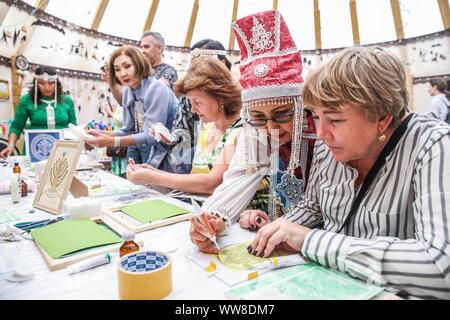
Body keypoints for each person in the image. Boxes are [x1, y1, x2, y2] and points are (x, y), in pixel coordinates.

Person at [247, 47, 450, 299]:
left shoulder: (435, 145)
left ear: (382, 120)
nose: (320, 133)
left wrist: (311, 241)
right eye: (316, 116)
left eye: (335, 119)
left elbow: (441, 267)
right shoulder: (327, 146)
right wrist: (277, 229)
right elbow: (313, 207)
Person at [189, 10, 316, 252]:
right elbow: (239, 177)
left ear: (301, 107)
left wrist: (286, 225)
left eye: (281, 114)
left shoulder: (323, 133)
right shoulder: (255, 131)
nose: (270, 128)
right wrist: (211, 219)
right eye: (258, 117)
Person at [126, 56, 242, 195]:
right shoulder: (207, 128)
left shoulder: (239, 131)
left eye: (197, 102)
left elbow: (212, 184)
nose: (193, 109)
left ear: (220, 96)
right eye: (190, 102)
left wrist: (153, 177)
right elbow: (196, 179)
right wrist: (152, 171)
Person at [149, 39, 234, 174]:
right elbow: (182, 131)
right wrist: (170, 137)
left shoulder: (241, 102)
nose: (197, 73)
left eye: (202, 66)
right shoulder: (189, 99)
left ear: (222, 64)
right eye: (194, 67)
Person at [86, 45, 178, 169]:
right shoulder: (129, 92)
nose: (123, 73)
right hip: (142, 151)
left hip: (169, 156)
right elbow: (128, 130)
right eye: (117, 69)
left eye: (127, 66)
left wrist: (110, 141)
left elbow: (152, 136)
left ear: (139, 63)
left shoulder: (157, 88)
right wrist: (100, 134)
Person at [0, 65, 77, 158]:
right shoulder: (27, 100)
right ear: (36, 83)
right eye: (42, 83)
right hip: (35, 150)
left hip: (62, 151)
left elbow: (73, 127)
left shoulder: (67, 100)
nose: (47, 87)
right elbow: (17, 126)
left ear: (56, 83)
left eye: (51, 83)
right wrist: (11, 145)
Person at [107, 31, 178, 104]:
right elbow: (124, 102)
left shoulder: (169, 71)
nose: (142, 51)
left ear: (159, 48)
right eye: (141, 47)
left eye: (146, 47)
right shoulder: (137, 71)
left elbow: (157, 94)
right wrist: (111, 82)